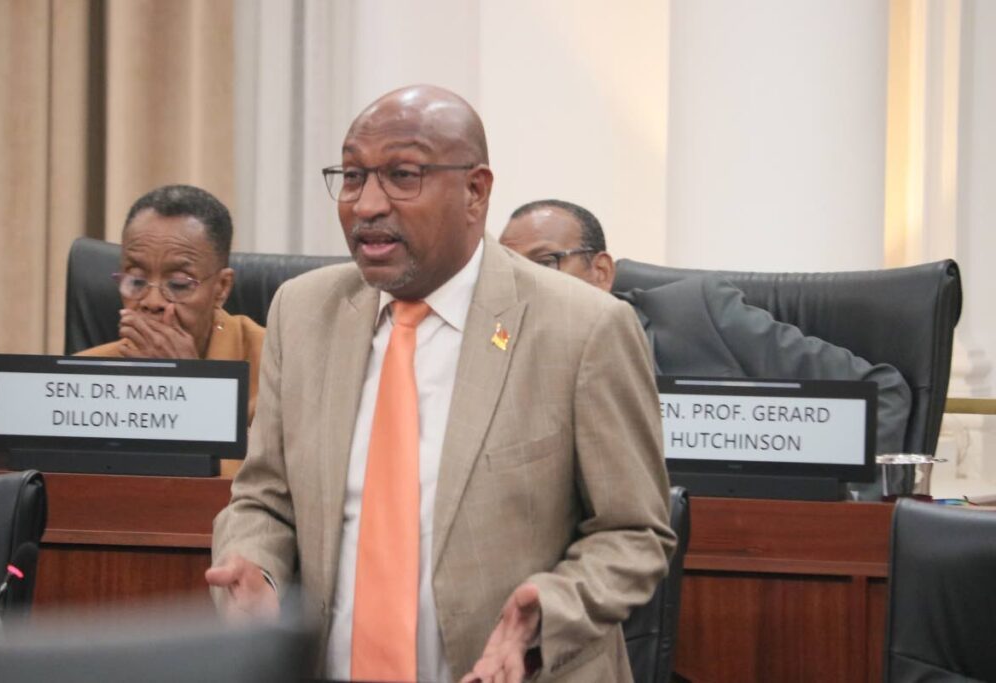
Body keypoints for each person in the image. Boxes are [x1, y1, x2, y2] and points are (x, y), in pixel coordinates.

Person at [206, 86, 674, 683]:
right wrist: (257, 572)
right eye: (352, 176)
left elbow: (635, 532)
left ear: (475, 191)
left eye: (402, 175)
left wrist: (547, 612)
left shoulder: (583, 328)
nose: (367, 204)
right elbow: (263, 498)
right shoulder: (303, 314)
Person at [500, 199, 912, 456]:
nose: (529, 284)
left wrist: (849, 512)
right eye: (509, 271)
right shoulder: (501, 361)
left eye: (547, 262)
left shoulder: (699, 315)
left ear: (601, 271)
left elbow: (881, 394)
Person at [76, 184, 265, 426]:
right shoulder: (86, 376)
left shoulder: (276, 370)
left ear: (222, 287)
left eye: (178, 284)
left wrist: (188, 387)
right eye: (135, 280)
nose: (152, 302)